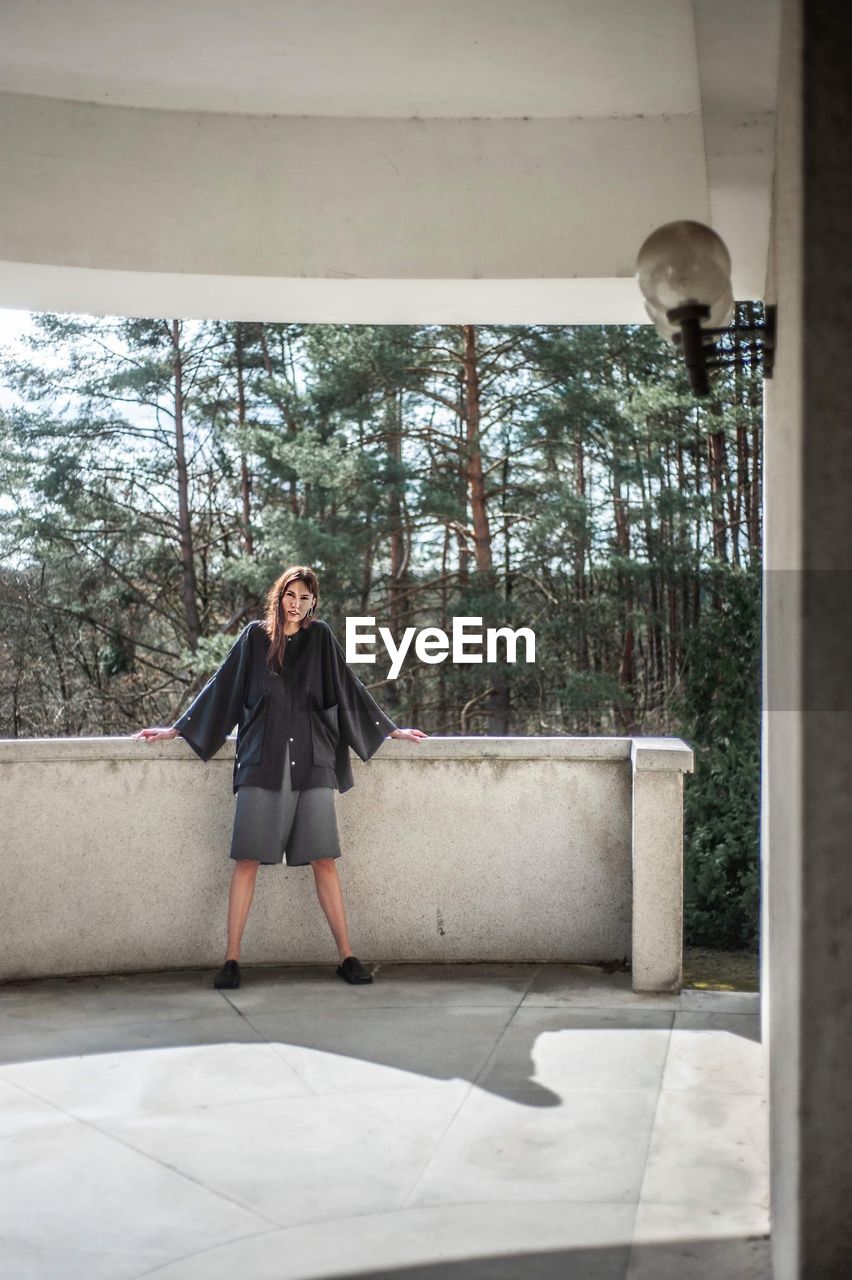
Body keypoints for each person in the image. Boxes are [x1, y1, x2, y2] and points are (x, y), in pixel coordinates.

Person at [134, 566, 427, 989]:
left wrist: (389, 728)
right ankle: (231, 959)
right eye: (291, 594)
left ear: (314, 603)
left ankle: (347, 955)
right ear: (280, 595)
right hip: (262, 761)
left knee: (324, 860)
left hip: (312, 763)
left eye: (306, 598)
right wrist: (177, 728)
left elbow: (347, 685)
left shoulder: (321, 638)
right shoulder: (255, 638)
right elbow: (222, 687)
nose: (297, 603)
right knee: (247, 860)